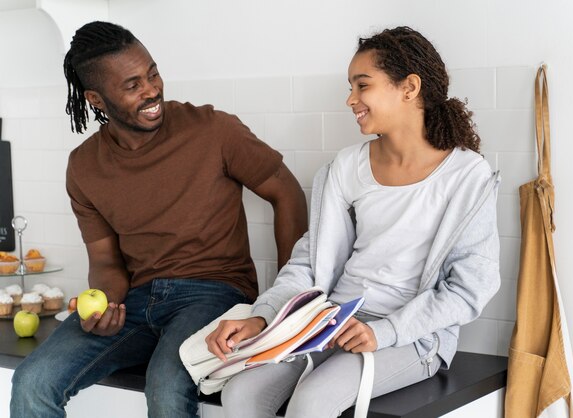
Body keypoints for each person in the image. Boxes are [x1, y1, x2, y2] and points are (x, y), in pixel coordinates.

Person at [10, 21, 308, 418]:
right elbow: (105, 264)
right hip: (136, 300)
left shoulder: (213, 130)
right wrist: (106, 307)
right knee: (32, 381)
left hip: (215, 293)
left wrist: (284, 303)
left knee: (167, 387)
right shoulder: (83, 166)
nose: (151, 90)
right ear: (97, 100)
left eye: (152, 73)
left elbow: (286, 192)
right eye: (132, 85)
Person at [206, 26, 501, 418]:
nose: (351, 99)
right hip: (331, 321)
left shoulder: (467, 176)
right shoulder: (347, 167)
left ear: (409, 87)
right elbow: (311, 263)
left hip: (412, 338)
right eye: (351, 87)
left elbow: (469, 289)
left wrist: (382, 332)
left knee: (312, 403)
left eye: (363, 86)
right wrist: (263, 317)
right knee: (241, 394)